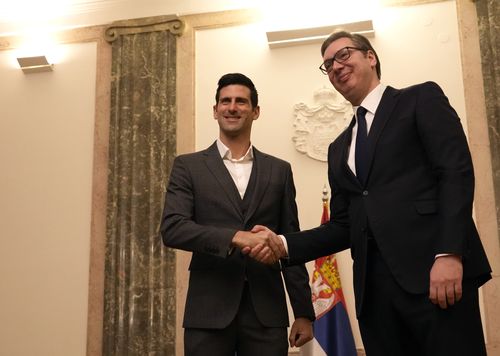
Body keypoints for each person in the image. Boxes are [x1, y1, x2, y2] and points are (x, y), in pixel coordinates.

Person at [246, 31, 492, 356]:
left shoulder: (419, 99)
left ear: (371, 57)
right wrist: (284, 244)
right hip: (375, 299)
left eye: (344, 55)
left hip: (435, 278)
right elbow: (343, 226)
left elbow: (455, 174)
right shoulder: (338, 149)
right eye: (327, 64)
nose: (335, 66)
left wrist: (449, 253)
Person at [160, 73, 315, 356]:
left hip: (267, 314)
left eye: (241, 101)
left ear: (255, 111)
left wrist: (303, 312)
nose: (232, 107)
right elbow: (173, 228)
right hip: (207, 311)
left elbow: (290, 242)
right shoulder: (188, 166)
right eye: (225, 101)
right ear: (215, 110)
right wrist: (235, 237)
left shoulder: (279, 171)